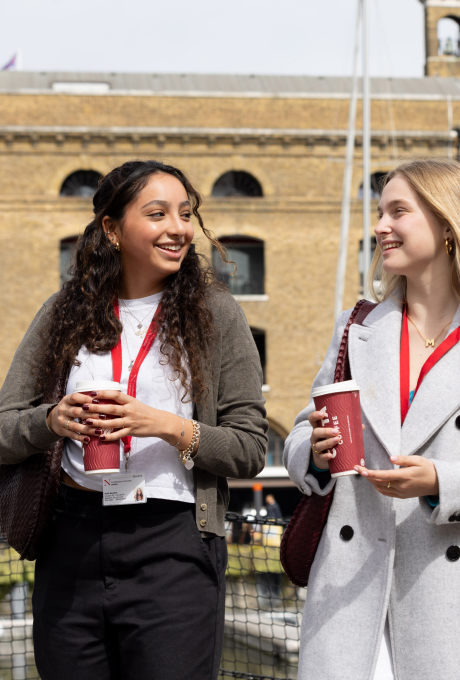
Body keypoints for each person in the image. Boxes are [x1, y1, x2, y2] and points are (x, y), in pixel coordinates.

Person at [283, 158, 460, 680]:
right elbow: (301, 433)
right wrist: (314, 454)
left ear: (447, 223)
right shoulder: (357, 327)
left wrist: (440, 481)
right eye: (379, 212)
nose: (379, 226)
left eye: (398, 212)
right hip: (353, 600)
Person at [0, 160, 268, 680]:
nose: (179, 228)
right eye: (158, 213)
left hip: (173, 546)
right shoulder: (62, 313)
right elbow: (4, 428)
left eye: (186, 214)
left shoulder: (217, 314)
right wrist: (51, 421)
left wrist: (164, 425)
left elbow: (251, 448)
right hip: (70, 541)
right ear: (111, 229)